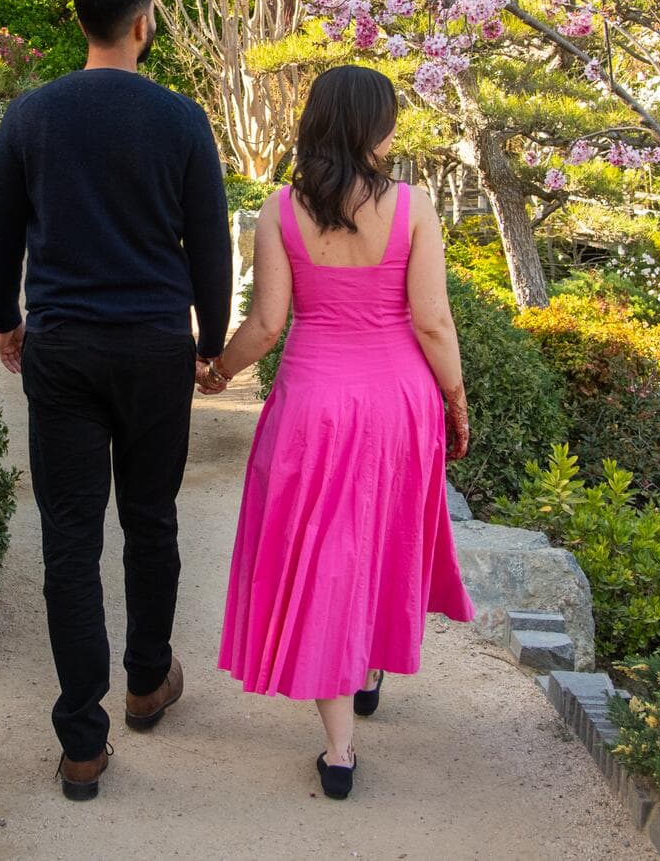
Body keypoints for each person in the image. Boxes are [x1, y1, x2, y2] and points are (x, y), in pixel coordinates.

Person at [0, 0, 232, 802]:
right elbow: (210, 241)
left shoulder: (33, 114)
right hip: (157, 344)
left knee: (70, 539)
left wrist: (6, 319)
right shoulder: (181, 119)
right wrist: (211, 340)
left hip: (65, 348)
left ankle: (81, 741)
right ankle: (148, 680)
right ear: (143, 22)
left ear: (83, 20)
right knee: (151, 519)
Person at [199, 64, 472, 800]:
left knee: (325, 555)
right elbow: (431, 320)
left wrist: (218, 372)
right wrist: (456, 396)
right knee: (381, 537)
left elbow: (265, 326)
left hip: (312, 405)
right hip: (398, 403)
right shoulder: (414, 208)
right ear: (371, 128)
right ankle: (371, 664)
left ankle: (340, 750)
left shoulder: (279, 210)